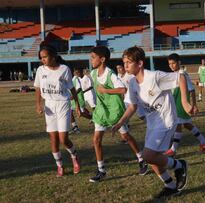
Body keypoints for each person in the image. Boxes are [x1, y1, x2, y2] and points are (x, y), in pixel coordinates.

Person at [112, 46, 192, 198]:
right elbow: (133, 106)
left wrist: (184, 101)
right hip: (153, 124)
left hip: (166, 121)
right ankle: (170, 186)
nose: (125, 66)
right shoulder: (133, 84)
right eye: (124, 62)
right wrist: (120, 122)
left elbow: (180, 77)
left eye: (129, 62)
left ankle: (180, 165)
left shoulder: (155, 76)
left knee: (148, 156)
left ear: (140, 63)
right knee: (154, 161)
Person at [88, 46, 147, 183]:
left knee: (126, 136)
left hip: (115, 111)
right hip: (102, 112)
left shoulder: (111, 74)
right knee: (96, 140)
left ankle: (141, 159)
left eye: (93, 57)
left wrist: (105, 91)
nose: (91, 60)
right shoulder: (93, 74)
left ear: (102, 59)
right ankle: (101, 170)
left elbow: (123, 89)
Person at [34, 45, 81, 177]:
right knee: (53, 139)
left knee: (63, 139)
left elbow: (72, 89)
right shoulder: (40, 70)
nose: (43, 59)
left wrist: (77, 105)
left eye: (45, 57)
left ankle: (74, 157)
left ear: (53, 56)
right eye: (41, 57)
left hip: (63, 104)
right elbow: (38, 88)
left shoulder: (64, 69)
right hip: (49, 105)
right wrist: (38, 105)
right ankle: (59, 165)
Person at [164, 53, 205, 157]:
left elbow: (192, 90)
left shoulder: (182, 74)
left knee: (178, 125)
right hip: (176, 103)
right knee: (187, 125)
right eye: (169, 64)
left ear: (179, 62)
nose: (171, 66)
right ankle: (203, 141)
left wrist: (194, 104)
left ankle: (173, 149)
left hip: (181, 104)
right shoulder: (174, 74)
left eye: (173, 63)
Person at [70, 67, 92, 134]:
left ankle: (94, 118)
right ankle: (75, 127)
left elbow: (79, 89)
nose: (76, 73)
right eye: (75, 72)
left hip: (79, 99)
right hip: (73, 100)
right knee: (70, 113)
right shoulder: (72, 79)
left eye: (77, 72)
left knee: (81, 113)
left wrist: (73, 95)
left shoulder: (77, 79)